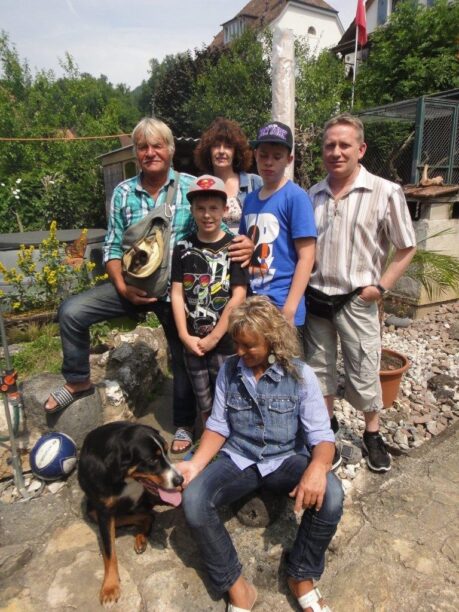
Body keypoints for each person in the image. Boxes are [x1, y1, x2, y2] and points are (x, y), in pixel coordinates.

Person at [43, 118, 253, 447]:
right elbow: (112, 247)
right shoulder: (123, 193)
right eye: (143, 147)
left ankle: (183, 424)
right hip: (132, 288)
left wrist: (246, 245)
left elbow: (224, 223)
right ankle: (78, 380)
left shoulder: (190, 186)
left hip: (177, 293)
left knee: (183, 358)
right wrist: (123, 287)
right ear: (136, 152)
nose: (150, 152)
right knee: (71, 311)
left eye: (157, 146)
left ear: (170, 150)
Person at [178, 296, 343, 612]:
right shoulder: (230, 371)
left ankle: (302, 575)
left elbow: (322, 437)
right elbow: (217, 426)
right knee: (195, 502)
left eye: (249, 346)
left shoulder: (300, 375)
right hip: (239, 459)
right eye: (236, 344)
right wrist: (194, 465)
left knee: (332, 495)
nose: (239, 353)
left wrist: (318, 467)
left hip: (285, 460)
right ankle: (238, 588)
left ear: (272, 341)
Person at [305, 113, 416, 473]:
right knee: (319, 369)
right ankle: (326, 430)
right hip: (318, 296)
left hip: (357, 298)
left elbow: (406, 246)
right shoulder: (313, 194)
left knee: (365, 365)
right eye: (329, 146)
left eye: (344, 145)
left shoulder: (385, 192)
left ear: (361, 149)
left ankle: (372, 433)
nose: (336, 152)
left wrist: (381, 287)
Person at [171, 175, 249, 449]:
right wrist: (183, 334)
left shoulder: (235, 246)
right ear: (192, 211)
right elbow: (177, 292)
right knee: (201, 392)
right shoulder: (182, 248)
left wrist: (216, 336)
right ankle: (207, 437)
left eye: (214, 208)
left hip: (224, 340)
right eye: (200, 208)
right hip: (192, 340)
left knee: (226, 390)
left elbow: (239, 294)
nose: (207, 215)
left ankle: (229, 439)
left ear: (225, 210)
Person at [240, 120, 316, 341]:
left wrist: (290, 309)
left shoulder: (295, 197)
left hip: (283, 306)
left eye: (277, 156)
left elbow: (307, 256)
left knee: (286, 372)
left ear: (289, 159)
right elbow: (245, 247)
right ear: (255, 156)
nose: (269, 162)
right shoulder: (250, 200)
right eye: (263, 155)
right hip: (254, 305)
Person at [194, 117, 263, 233]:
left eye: (228, 147)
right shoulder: (200, 187)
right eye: (216, 146)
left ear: (236, 152)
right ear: (208, 151)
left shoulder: (255, 183)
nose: (221, 151)